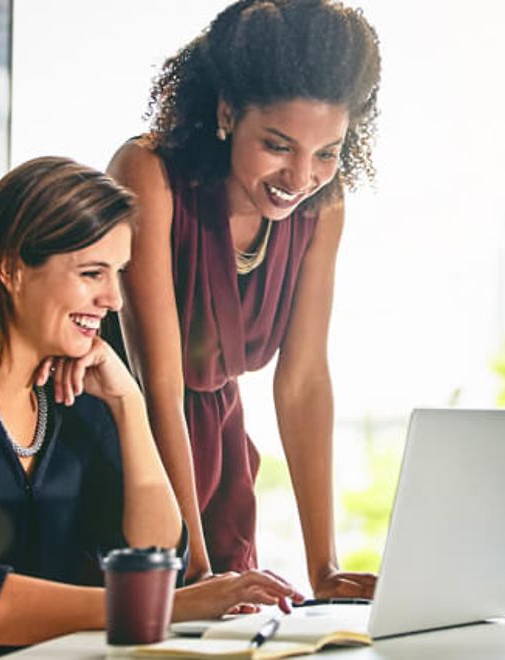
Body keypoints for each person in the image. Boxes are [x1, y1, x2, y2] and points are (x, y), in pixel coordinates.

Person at [0, 157, 300, 660]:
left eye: (119, 274)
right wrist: (163, 608)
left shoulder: (75, 393)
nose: (113, 298)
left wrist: (128, 404)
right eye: (92, 273)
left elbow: (157, 559)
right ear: (11, 268)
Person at [104, 0, 382, 598]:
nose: (301, 176)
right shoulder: (147, 174)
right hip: (125, 456)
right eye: (279, 145)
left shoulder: (321, 210)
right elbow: (162, 385)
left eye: (327, 152)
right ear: (227, 112)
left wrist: (324, 568)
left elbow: (303, 381)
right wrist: (194, 567)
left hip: (220, 467)